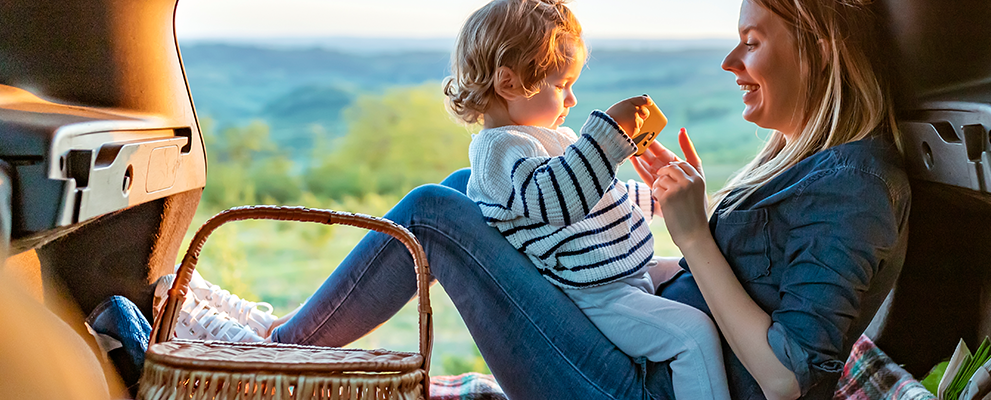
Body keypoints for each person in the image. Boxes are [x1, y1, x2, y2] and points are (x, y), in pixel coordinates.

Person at [158, 0, 907, 398]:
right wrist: (675, 218)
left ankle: (273, 357)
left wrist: (696, 237)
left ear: (819, 44)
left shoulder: (854, 185)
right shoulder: (815, 166)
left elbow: (786, 377)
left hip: (647, 383)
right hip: (633, 342)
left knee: (432, 209)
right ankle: (286, 342)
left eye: (751, 38)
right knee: (464, 194)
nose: (728, 60)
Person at [445, 1, 728, 398]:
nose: (572, 99)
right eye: (562, 86)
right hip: (599, 294)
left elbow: (599, 200)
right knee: (693, 336)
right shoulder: (498, 154)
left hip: (624, 270)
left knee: (706, 273)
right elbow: (557, 200)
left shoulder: (549, 139)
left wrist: (658, 198)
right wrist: (606, 138)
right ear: (509, 84)